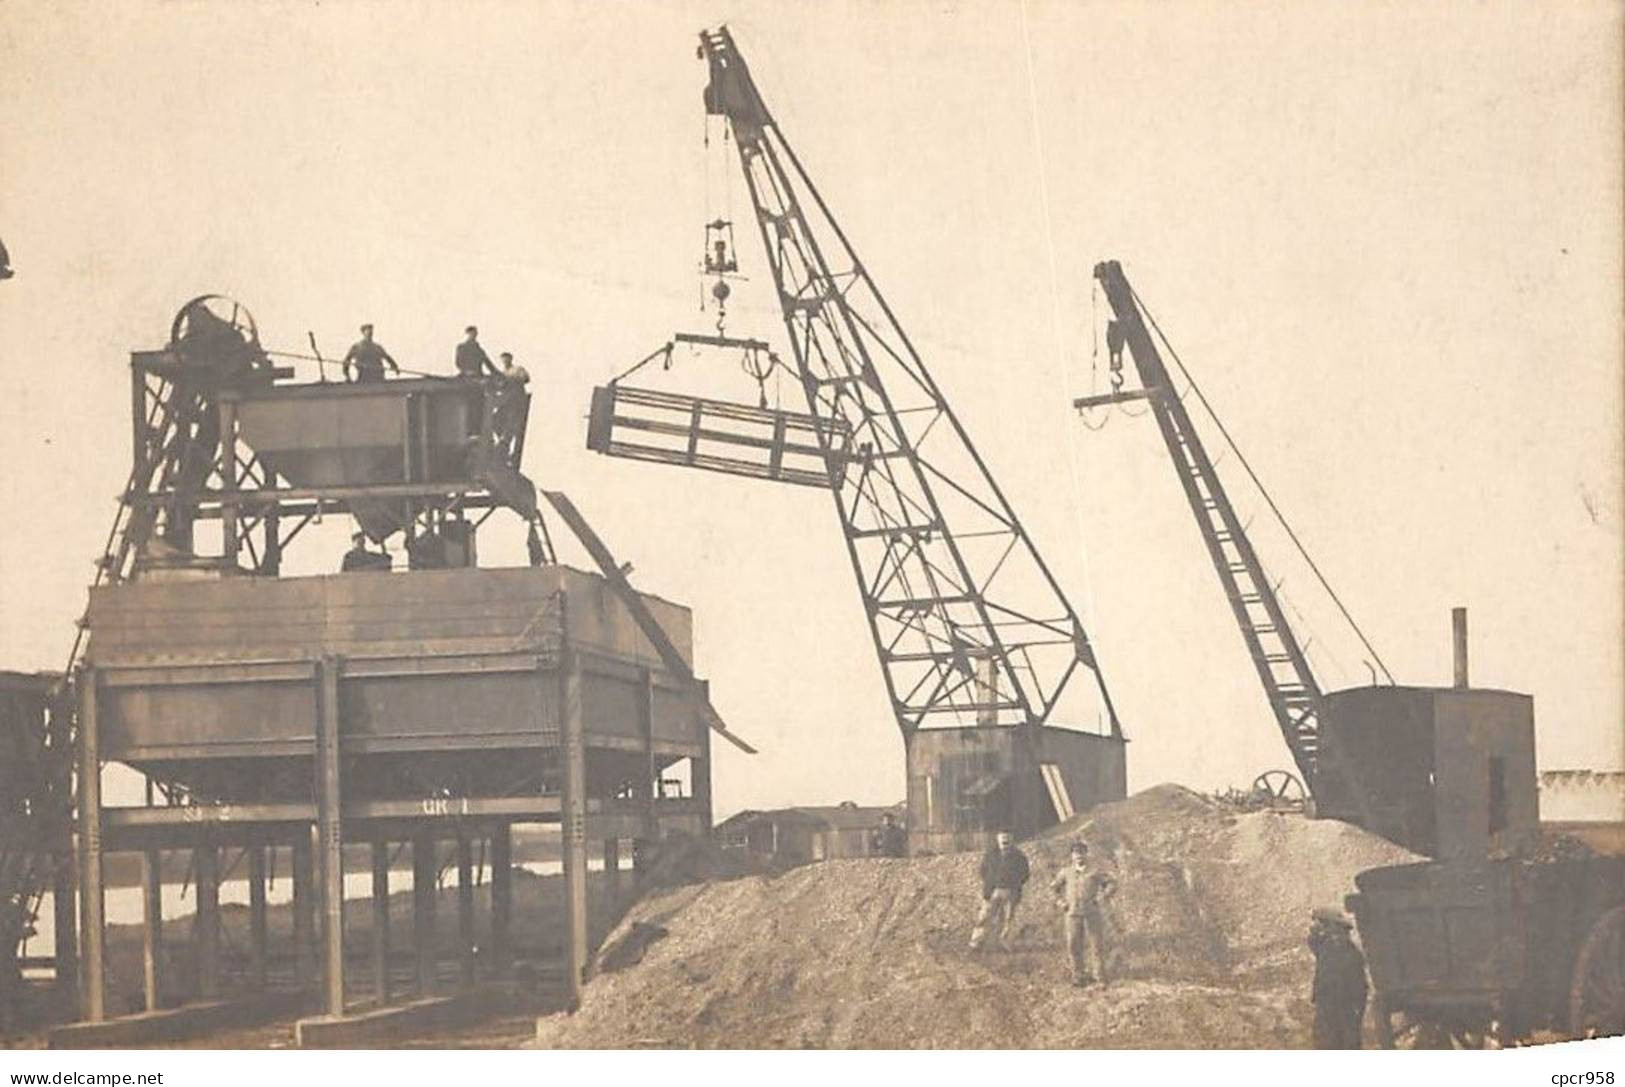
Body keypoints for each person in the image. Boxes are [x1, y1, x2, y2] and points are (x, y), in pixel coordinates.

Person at [1051, 840, 1114, 986]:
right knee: (1073, 945)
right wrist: (1061, 902)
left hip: (1091, 913)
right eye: (1076, 853)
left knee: (1096, 945)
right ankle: (1078, 976)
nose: (1079, 856)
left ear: (1086, 854)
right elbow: (1054, 888)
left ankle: (1099, 977)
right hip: (1072, 914)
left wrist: (1102, 897)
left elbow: (1111, 883)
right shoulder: (1066, 872)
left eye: (1081, 853)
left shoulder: (1095, 871)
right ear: (1072, 856)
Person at [1308, 906, 1368, 1049]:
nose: (1316, 927)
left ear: (1332, 926)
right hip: (1341, 1006)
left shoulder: (1336, 947)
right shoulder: (1338, 946)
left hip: (1338, 1006)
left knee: (1335, 1041)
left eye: (1321, 923)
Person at [970, 829, 1030, 951]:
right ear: (997, 839)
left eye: (1007, 838)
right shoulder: (990, 854)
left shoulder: (1019, 856)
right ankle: (976, 943)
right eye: (1002, 838)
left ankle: (1004, 943)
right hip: (993, 891)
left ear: (1012, 839)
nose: (1005, 840)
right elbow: (983, 871)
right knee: (985, 917)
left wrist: (1014, 885)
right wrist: (990, 885)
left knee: (1008, 919)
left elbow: (1025, 874)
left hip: (1011, 891)